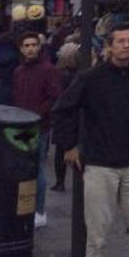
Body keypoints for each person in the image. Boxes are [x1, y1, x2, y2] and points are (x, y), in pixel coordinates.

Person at [52, 22, 129, 257]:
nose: (126, 46)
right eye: (120, 41)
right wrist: (69, 145)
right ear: (109, 47)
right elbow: (62, 109)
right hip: (100, 164)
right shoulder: (91, 78)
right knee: (97, 232)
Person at [11, 30, 64, 228]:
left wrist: (37, 115)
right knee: (24, 169)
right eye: (27, 45)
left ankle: (39, 210)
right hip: (21, 126)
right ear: (21, 49)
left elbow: (54, 97)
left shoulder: (48, 69)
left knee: (38, 168)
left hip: (39, 127)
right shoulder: (18, 71)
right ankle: (26, 207)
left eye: (34, 44)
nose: (31, 48)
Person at [51, 41, 80, 192]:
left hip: (61, 117)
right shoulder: (79, 75)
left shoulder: (58, 74)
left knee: (59, 151)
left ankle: (59, 181)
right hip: (75, 117)